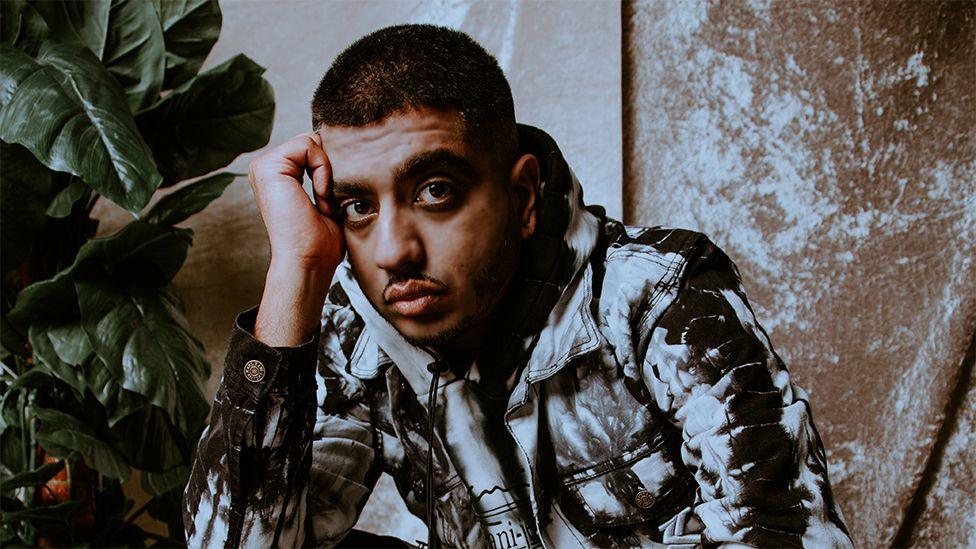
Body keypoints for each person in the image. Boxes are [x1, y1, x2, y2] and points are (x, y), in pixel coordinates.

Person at [183, 24, 853, 549]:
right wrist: (296, 270)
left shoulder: (657, 298)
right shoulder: (361, 333)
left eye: (435, 191)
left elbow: (785, 535)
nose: (392, 250)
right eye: (358, 206)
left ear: (524, 195)